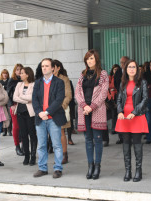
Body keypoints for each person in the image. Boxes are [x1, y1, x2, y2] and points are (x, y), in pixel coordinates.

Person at [75, 49, 109, 180]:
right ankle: (90, 166)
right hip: (84, 111)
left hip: (97, 110)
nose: (89, 61)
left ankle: (97, 166)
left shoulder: (103, 74)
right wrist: (84, 106)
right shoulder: (82, 74)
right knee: (88, 140)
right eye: (88, 59)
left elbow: (103, 93)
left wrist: (92, 107)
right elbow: (77, 92)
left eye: (92, 58)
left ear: (97, 60)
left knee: (98, 139)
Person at [32, 58, 66, 179]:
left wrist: (47, 111)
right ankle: (42, 168)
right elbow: (34, 100)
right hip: (40, 118)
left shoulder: (59, 82)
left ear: (53, 68)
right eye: (42, 66)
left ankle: (57, 168)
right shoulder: (38, 82)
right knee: (41, 145)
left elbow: (59, 99)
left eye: (47, 66)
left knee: (57, 145)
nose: (44, 68)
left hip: (53, 118)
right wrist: (40, 112)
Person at [115, 60, 148, 182]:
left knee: (137, 142)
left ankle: (138, 170)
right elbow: (118, 99)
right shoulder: (123, 83)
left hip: (137, 116)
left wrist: (134, 112)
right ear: (126, 69)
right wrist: (119, 111)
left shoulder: (142, 82)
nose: (132, 69)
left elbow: (145, 99)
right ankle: (127, 170)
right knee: (126, 142)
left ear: (137, 69)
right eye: (129, 67)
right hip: (124, 117)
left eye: (134, 67)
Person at [13, 67, 37, 165]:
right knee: (23, 135)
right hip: (20, 113)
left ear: (27, 74)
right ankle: (26, 156)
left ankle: (33, 156)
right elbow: (15, 97)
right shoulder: (19, 84)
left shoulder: (34, 84)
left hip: (30, 113)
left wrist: (21, 97)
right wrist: (25, 99)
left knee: (32, 135)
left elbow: (33, 97)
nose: (20, 74)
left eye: (22, 73)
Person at [53, 60, 72, 164]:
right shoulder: (47, 79)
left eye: (53, 67)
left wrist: (60, 106)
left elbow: (68, 95)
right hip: (49, 110)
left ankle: (64, 154)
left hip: (60, 109)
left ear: (58, 68)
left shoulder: (64, 79)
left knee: (61, 132)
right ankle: (56, 153)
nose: (51, 69)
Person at [7, 64, 23, 156]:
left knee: (24, 127)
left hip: (24, 105)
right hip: (14, 105)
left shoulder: (25, 80)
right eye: (17, 69)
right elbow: (8, 94)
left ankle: (23, 146)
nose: (19, 71)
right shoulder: (12, 80)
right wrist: (11, 105)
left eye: (21, 69)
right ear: (14, 71)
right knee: (16, 127)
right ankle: (17, 146)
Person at [103, 64, 120, 147]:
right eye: (114, 69)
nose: (115, 71)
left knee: (116, 116)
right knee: (107, 117)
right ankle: (106, 138)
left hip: (116, 98)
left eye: (117, 69)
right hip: (108, 99)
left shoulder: (119, 77)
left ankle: (118, 133)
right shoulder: (108, 78)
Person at [114, 56, 130, 144]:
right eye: (121, 63)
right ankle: (121, 137)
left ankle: (129, 137)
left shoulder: (132, 71)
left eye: (124, 63)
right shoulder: (118, 72)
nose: (122, 64)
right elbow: (116, 83)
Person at [0, 69, 12, 136]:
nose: (5, 74)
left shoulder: (9, 81)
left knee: (9, 116)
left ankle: (9, 130)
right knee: (3, 115)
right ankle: (5, 131)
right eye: (3, 73)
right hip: (2, 100)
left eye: (6, 73)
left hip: (8, 100)